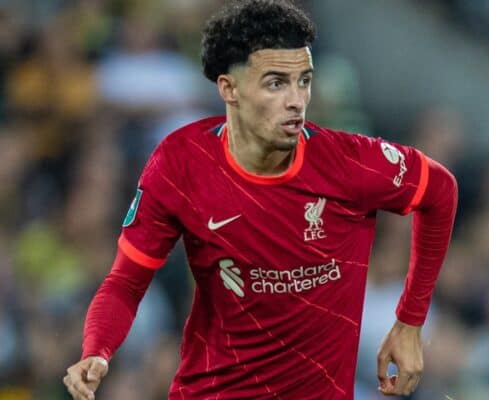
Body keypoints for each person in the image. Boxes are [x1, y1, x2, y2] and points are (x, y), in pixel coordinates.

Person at [63, 1, 458, 399]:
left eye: (303, 80)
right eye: (276, 83)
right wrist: (97, 351)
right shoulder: (181, 163)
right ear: (228, 89)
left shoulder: (348, 163)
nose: (296, 100)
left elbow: (440, 190)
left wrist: (409, 322)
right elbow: (126, 283)